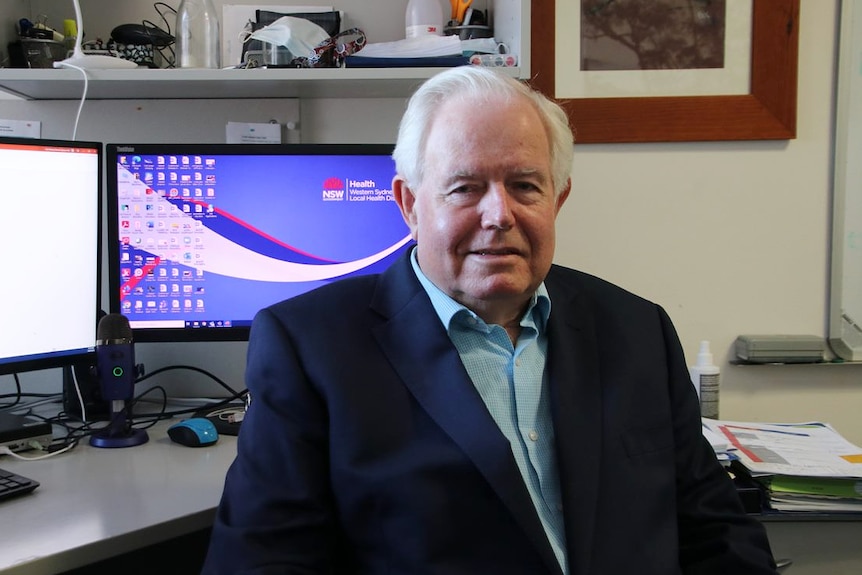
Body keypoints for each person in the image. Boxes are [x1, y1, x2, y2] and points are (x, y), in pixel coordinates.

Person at [201, 66, 778, 574]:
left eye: (525, 186)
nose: (499, 215)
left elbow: (714, 527)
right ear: (408, 204)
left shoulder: (637, 329)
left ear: (558, 199)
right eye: (465, 188)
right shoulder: (310, 348)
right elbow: (263, 560)